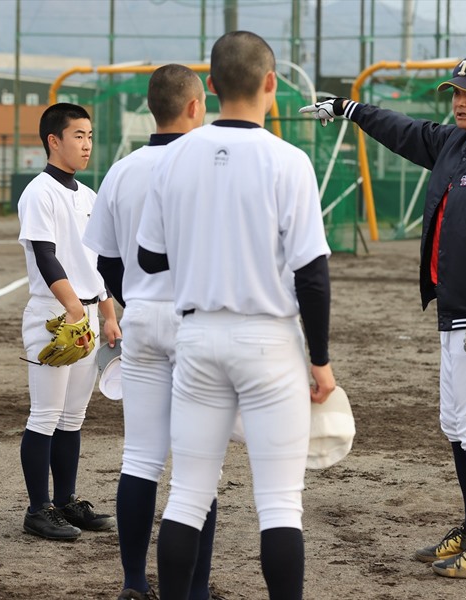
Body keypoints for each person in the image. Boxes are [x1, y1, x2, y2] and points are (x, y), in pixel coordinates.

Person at [300, 56, 466, 578]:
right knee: (456, 425)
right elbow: (404, 131)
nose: (460, 101)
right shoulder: (458, 143)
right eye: (455, 92)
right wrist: (349, 108)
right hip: (458, 308)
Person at [137, 31, 336, 600]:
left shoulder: (174, 156)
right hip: (268, 340)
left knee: (187, 494)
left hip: (197, 336)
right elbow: (312, 273)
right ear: (271, 83)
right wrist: (319, 361)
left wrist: (205, 240)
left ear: (213, 85)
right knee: (279, 502)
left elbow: (150, 255)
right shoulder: (287, 160)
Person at [83, 65, 217, 600]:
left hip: (141, 319)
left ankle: (135, 583)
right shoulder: (212, 166)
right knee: (197, 464)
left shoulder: (122, 170)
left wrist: (135, 296)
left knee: (140, 458)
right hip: (195, 323)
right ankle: (196, 589)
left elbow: (107, 263)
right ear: (193, 106)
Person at [17, 102, 121, 540]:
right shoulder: (39, 192)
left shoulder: (89, 196)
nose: (86, 144)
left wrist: (108, 312)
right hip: (52, 316)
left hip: (85, 316)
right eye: (78, 135)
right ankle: (37, 509)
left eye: (90, 135)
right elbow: (45, 255)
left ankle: (65, 501)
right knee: (44, 415)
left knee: (72, 417)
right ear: (53, 141)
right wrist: (73, 307)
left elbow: (95, 261)